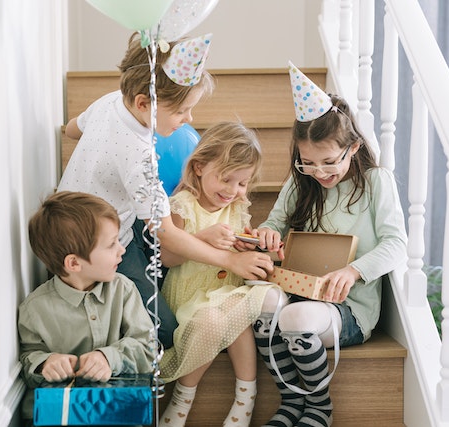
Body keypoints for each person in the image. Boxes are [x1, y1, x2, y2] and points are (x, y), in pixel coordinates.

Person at [59, 32, 274, 350]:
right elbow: (167, 236)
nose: (190, 120)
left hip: (67, 216)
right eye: (182, 111)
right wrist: (229, 261)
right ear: (143, 103)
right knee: (167, 332)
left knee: (156, 225)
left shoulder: (109, 101)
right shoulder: (140, 157)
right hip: (101, 240)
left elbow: (72, 128)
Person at [248, 62, 407, 427]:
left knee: (295, 317)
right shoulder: (302, 182)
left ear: (352, 148)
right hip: (300, 288)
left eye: (329, 162)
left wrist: (354, 271)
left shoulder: (375, 182)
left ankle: (319, 407)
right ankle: (291, 401)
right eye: (308, 163)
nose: (320, 172)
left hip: (349, 308)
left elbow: (397, 243)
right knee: (260, 301)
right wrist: (268, 233)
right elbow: (274, 222)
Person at [157, 122, 284, 427]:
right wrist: (203, 236)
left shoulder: (238, 204)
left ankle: (246, 398)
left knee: (238, 311)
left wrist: (246, 245)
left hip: (226, 291)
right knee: (214, 320)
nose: (233, 191)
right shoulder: (181, 205)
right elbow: (168, 257)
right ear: (199, 167)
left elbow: (237, 252)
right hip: (189, 298)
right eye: (226, 179)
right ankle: (181, 399)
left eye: (242, 183)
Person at [17, 191, 155, 423]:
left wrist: (109, 358)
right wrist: (45, 364)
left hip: (119, 411)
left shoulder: (124, 290)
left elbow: (148, 348)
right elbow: (28, 357)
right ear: (73, 263)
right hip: (64, 415)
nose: (121, 250)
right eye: (111, 244)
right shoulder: (35, 309)